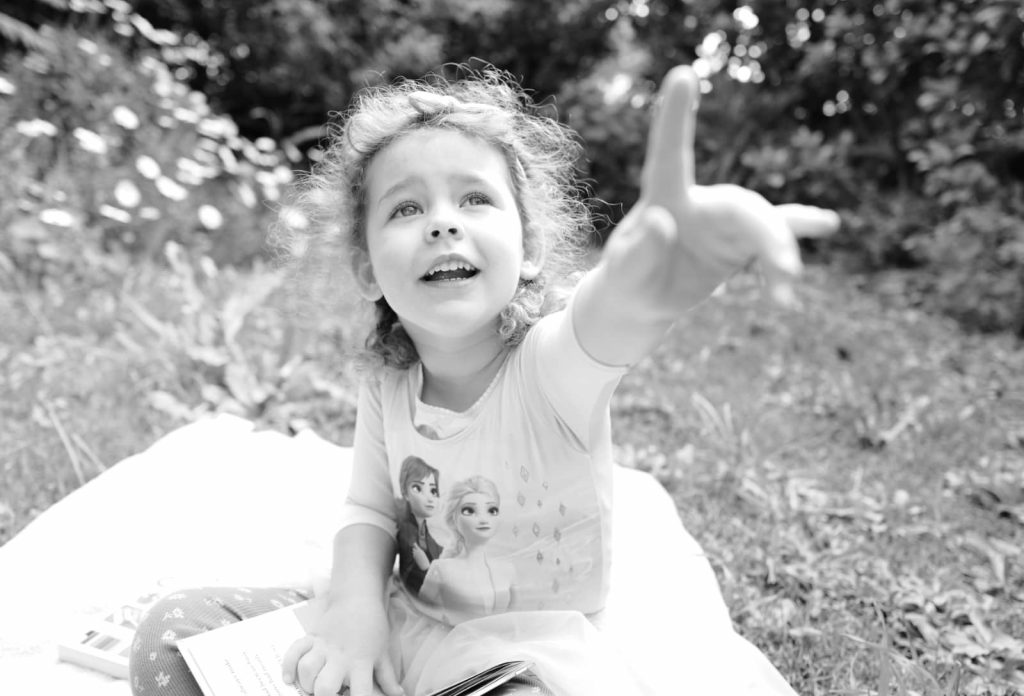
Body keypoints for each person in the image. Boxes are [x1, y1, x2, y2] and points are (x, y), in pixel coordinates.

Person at [128, 63, 839, 696]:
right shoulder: (389, 382)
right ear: (368, 269)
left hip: (528, 656)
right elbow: (369, 510)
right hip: (406, 623)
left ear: (529, 249)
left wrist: (654, 275)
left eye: (474, 199)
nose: (442, 224)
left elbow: (612, 313)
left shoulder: (552, 365)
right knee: (174, 635)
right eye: (406, 208)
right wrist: (354, 613)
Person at [418, 475, 516, 623]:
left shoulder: (507, 569)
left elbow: (516, 619)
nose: (483, 519)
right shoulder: (441, 569)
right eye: (469, 510)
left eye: (492, 510)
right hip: (456, 636)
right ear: (453, 519)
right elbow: (422, 614)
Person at [395, 455, 444, 595]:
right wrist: (426, 568)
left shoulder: (424, 529)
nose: (429, 498)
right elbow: (410, 573)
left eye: (433, 491)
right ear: (405, 493)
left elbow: (435, 549)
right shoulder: (406, 531)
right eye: (417, 488)